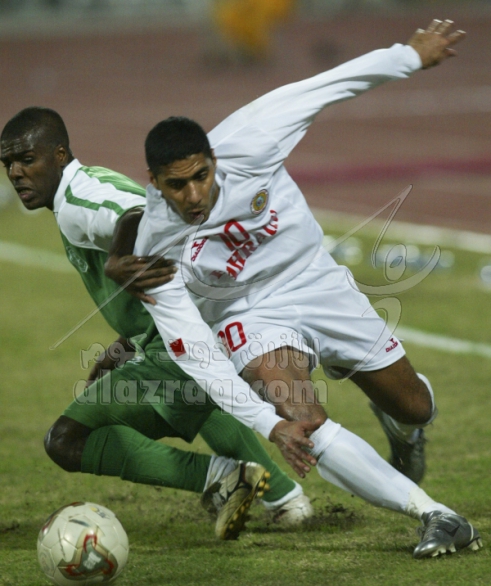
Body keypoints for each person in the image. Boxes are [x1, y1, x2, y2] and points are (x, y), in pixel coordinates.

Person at [107, 19, 482, 558]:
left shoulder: (252, 138)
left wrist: (408, 56)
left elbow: (324, 87)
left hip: (315, 280)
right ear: (154, 182)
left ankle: (404, 431)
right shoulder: (155, 247)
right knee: (301, 419)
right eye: (176, 185)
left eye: (201, 176)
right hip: (248, 315)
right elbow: (197, 354)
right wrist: (269, 424)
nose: (193, 195)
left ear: (214, 160)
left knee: (416, 407)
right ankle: (436, 516)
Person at [0, 108, 315, 541]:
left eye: (26, 160)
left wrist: (117, 260)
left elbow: (134, 215)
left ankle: (223, 478)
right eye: (7, 163)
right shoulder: (85, 188)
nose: (15, 173)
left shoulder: (77, 200)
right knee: (201, 398)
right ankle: (285, 500)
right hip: (194, 328)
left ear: (59, 155)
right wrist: (126, 341)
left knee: (66, 440)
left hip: (178, 341)